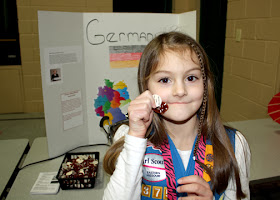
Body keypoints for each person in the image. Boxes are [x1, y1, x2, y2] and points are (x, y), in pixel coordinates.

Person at [103, 31, 250, 200]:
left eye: (191, 78)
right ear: (146, 87)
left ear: (206, 84)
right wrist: (135, 136)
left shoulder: (234, 144)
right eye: (165, 80)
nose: (180, 91)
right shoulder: (129, 137)